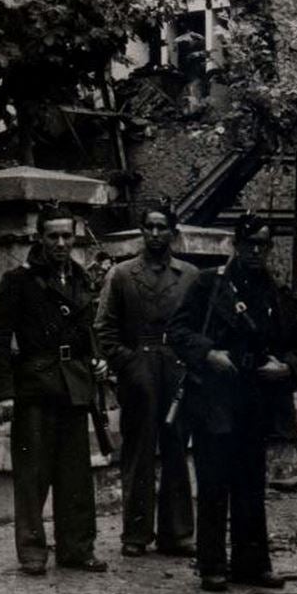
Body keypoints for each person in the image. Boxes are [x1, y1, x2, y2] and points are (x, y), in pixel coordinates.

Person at [167, 213, 297, 592]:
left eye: (263, 244)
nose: (255, 250)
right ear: (235, 245)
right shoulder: (209, 286)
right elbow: (177, 331)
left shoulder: (277, 293)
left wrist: (286, 368)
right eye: (249, 243)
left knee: (251, 486)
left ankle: (253, 564)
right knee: (213, 484)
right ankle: (211, 565)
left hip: (257, 398)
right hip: (216, 397)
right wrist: (208, 354)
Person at [0, 204, 109, 576]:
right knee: (33, 473)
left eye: (66, 236)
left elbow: (88, 329)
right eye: (52, 236)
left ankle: (76, 549)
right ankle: (33, 552)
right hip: (35, 386)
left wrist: (97, 359)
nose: (60, 243)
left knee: (75, 475)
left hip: (74, 385)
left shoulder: (81, 278)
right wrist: (3, 393)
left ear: (75, 238)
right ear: (40, 237)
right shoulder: (18, 280)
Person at [93, 204, 198, 558]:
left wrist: (190, 363)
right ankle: (135, 534)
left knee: (176, 449)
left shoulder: (190, 276)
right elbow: (104, 328)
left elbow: (201, 327)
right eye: (149, 227)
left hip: (177, 368)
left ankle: (177, 533)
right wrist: (128, 363)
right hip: (139, 370)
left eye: (162, 228)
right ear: (142, 231)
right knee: (138, 453)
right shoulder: (122, 275)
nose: (155, 234)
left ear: (173, 232)